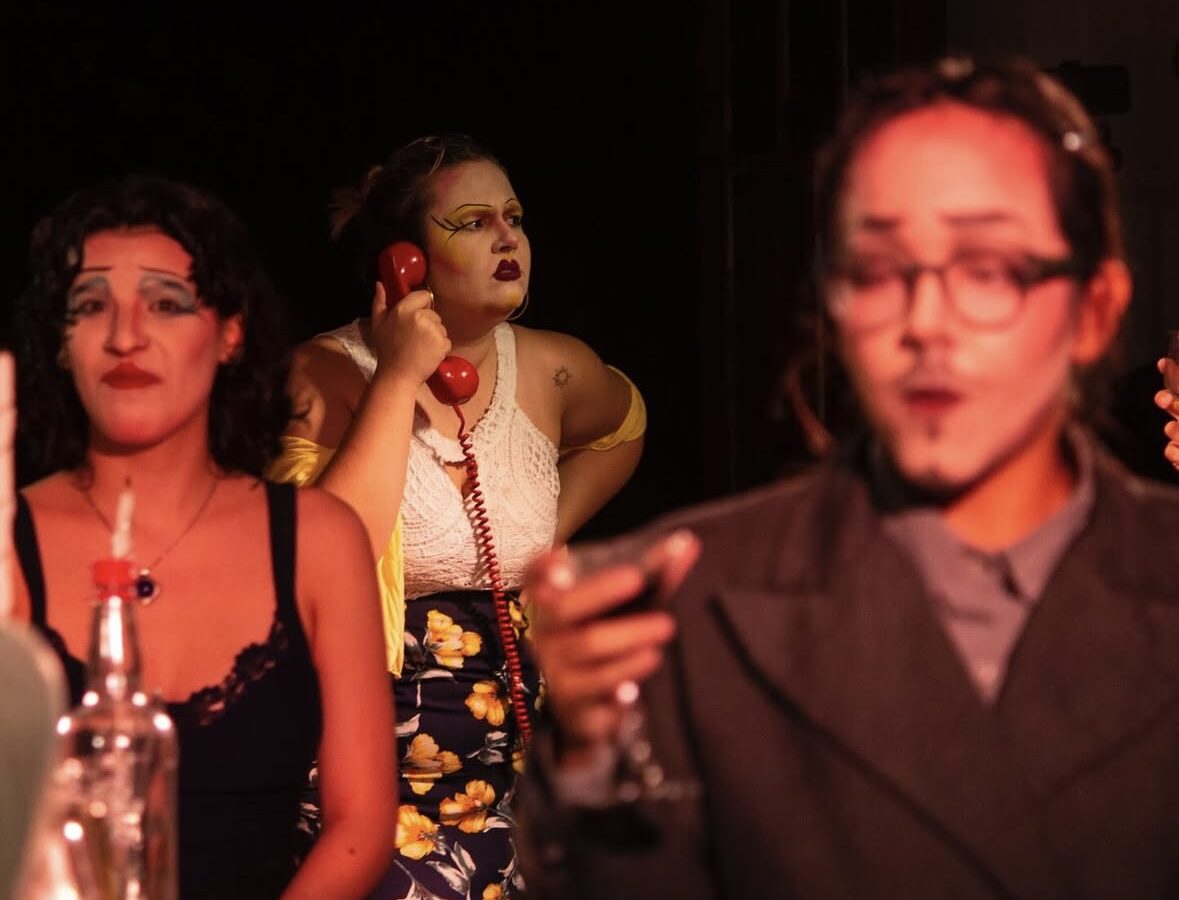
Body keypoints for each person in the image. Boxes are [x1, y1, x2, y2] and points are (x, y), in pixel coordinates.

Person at [515, 56, 1179, 899]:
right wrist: (590, 763)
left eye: (985, 270)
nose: (924, 322)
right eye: (877, 272)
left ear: (1094, 309)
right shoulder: (687, 603)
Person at [269, 134, 646, 898]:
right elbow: (320, 561)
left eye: (514, 218)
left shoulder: (552, 367)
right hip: (372, 782)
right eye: (473, 222)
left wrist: (548, 535)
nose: (507, 238)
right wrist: (397, 375)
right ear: (402, 258)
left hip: (509, 775)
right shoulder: (322, 376)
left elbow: (625, 423)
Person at [8, 174, 396, 899]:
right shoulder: (7, 535)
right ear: (60, 343)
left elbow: (361, 825)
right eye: (91, 305)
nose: (125, 335)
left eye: (165, 303)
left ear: (229, 334)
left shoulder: (318, 540)